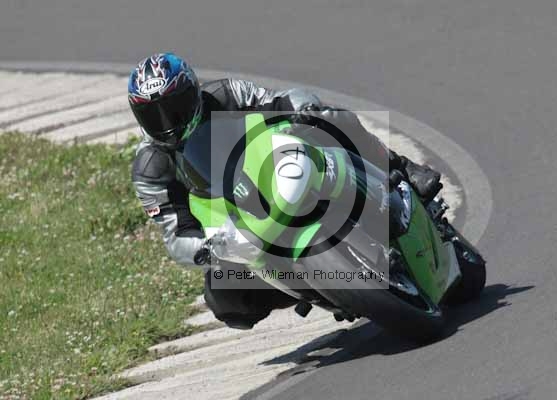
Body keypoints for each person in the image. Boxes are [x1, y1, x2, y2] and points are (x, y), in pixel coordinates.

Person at [128, 53, 441, 329]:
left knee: (331, 119)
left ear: (193, 91)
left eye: (174, 107)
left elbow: (280, 99)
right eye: (153, 115)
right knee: (224, 298)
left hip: (271, 161)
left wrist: (304, 108)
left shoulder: (225, 94)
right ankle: (320, 289)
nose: (168, 122)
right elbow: (175, 234)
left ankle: (401, 166)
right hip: (233, 218)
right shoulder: (150, 168)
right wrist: (206, 248)